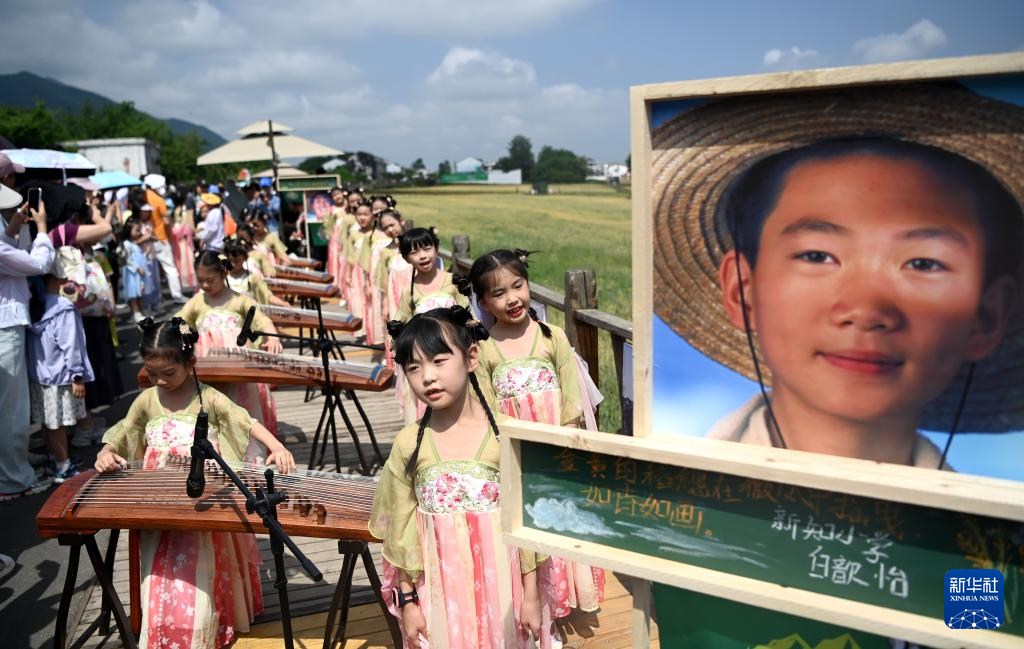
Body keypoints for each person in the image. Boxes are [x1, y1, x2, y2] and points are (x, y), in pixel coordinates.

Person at [649, 85, 1024, 646]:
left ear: (986, 316)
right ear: (743, 290)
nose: (866, 308)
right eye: (817, 255)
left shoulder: (981, 548)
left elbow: (976, 638)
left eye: (924, 262)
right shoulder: (677, 504)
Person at [96, 318, 293, 648]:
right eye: (152, 373)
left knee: (200, 565)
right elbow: (124, 430)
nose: (160, 380)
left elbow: (244, 421)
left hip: (204, 498)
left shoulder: (208, 398)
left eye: (168, 373)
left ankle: (201, 628)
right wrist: (106, 451)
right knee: (159, 567)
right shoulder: (147, 400)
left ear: (190, 362)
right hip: (161, 500)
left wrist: (277, 447)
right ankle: (163, 628)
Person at [371, 306, 548, 648]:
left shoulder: (506, 435)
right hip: (440, 596)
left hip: (504, 591)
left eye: (439, 361)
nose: (428, 377)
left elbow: (526, 523)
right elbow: (400, 531)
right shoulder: (409, 443)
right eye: (414, 368)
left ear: (471, 358)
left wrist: (531, 595)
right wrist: (408, 602)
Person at [459, 249, 605, 628]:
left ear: (528, 285)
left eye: (518, 286)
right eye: (498, 293)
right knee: (529, 526)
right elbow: (488, 409)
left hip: (557, 449)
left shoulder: (551, 337)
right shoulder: (484, 349)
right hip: (519, 456)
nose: (512, 299)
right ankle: (536, 607)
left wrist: (565, 443)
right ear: (483, 302)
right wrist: (518, 450)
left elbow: (571, 397)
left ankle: (564, 597)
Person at [176, 252, 283, 439]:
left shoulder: (239, 300)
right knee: (213, 408)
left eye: (210, 280)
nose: (205, 285)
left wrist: (272, 337)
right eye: (200, 281)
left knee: (242, 407)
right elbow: (179, 322)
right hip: (209, 370)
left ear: (224, 274)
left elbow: (262, 320)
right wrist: (187, 336)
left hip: (239, 369)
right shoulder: (197, 303)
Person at [0, 187, 55, 501]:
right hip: (5, 326)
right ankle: (13, 479)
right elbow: (38, 264)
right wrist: (43, 229)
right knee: (11, 409)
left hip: (7, 323)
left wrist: (12, 229)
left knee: (8, 406)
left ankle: (13, 468)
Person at [27, 273, 93, 483]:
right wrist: (77, 375)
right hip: (60, 375)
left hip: (39, 374)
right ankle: (63, 467)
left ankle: (54, 458)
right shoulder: (62, 307)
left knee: (48, 421)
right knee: (58, 424)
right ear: (57, 278)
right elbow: (70, 344)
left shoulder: (32, 303)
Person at [394, 227, 469, 322]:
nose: (422, 256)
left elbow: (469, 316)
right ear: (406, 258)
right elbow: (402, 322)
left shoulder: (454, 281)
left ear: (436, 249)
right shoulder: (409, 291)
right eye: (414, 252)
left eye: (427, 249)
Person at [143, 178, 187, 304]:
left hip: (146, 238)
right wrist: (170, 237)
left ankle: (152, 297)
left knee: (151, 270)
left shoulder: (142, 197)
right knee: (170, 268)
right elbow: (166, 221)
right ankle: (177, 295)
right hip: (161, 238)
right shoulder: (159, 199)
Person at [224, 238, 288, 307]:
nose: (232, 264)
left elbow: (267, 295)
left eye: (236, 261)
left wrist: (282, 303)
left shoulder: (253, 278)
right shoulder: (222, 279)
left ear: (245, 257)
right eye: (229, 261)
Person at [120, 219, 148, 324]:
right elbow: (126, 260)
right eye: (137, 230)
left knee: (140, 292)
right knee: (133, 293)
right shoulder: (126, 244)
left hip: (138, 273)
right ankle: (136, 312)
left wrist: (145, 254)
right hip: (132, 273)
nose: (139, 233)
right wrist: (137, 268)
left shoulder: (135, 244)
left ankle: (141, 312)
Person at [170, 202, 197, 292]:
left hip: (180, 246)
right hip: (182, 246)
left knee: (185, 266)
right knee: (186, 266)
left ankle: (191, 285)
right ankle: (192, 286)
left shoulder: (175, 226)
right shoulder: (181, 225)